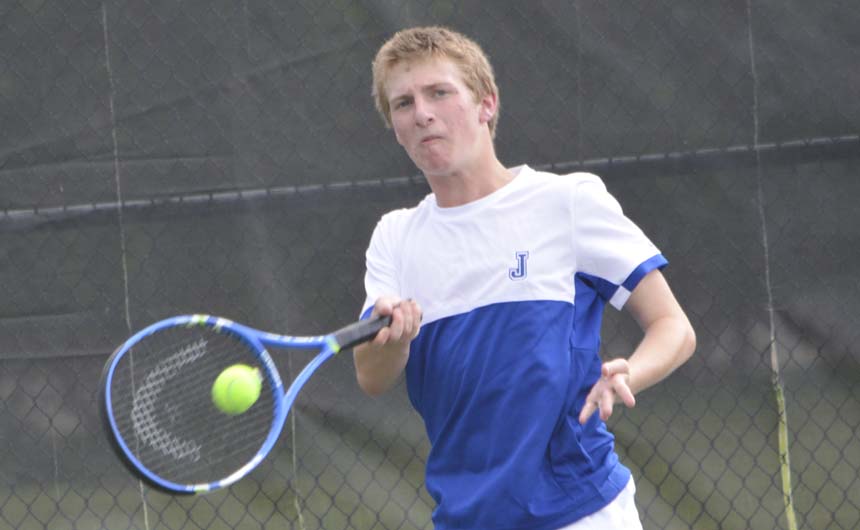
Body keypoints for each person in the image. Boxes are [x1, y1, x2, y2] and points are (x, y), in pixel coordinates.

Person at [353, 26, 696, 530]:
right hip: (465, 518)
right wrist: (396, 339)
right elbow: (372, 376)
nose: (422, 113)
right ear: (396, 128)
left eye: (439, 92)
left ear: (486, 105)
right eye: (403, 103)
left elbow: (674, 327)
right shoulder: (394, 236)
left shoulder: (568, 202)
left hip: (582, 511)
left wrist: (630, 373)